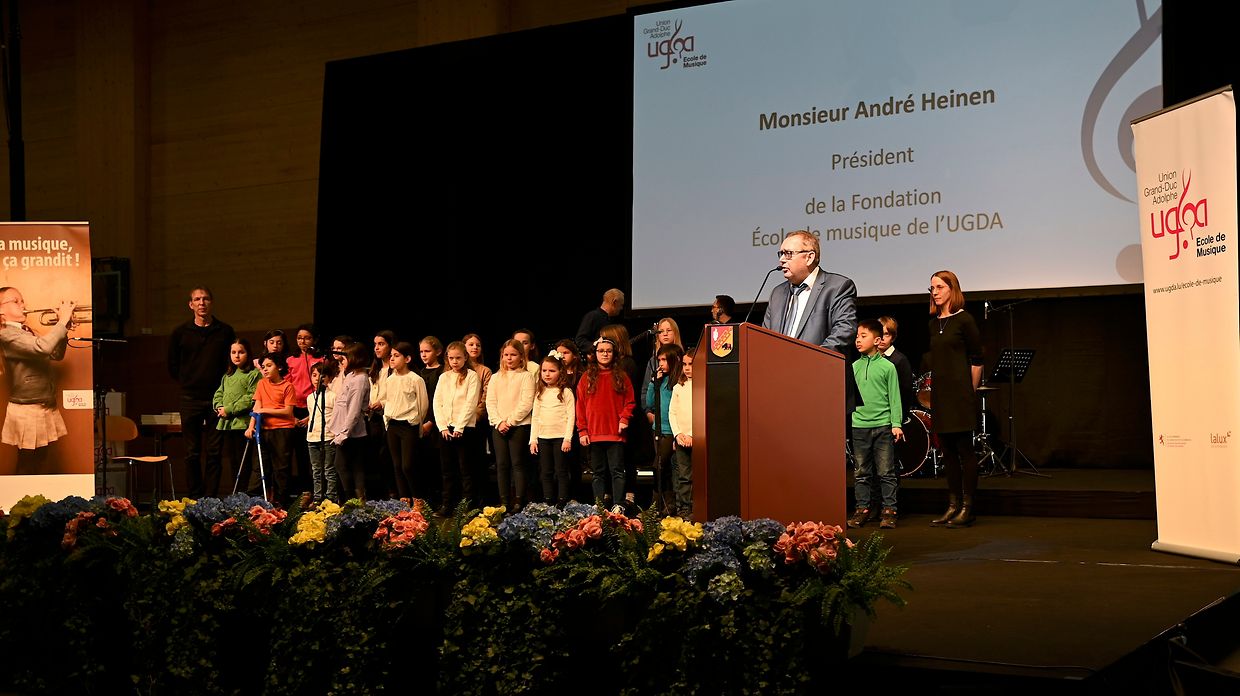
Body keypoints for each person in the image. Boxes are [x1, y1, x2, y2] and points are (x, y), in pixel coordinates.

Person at [167, 286, 235, 498]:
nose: (202, 303)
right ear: (191, 304)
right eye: (197, 299)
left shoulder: (225, 331)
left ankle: (211, 498)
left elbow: (231, 362)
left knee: (214, 452)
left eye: (205, 299)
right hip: (190, 398)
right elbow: (172, 364)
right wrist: (188, 382)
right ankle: (195, 498)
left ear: (211, 302)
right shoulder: (180, 333)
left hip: (217, 399)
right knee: (192, 453)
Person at [927, 270, 984, 528]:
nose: (935, 292)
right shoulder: (933, 322)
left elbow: (977, 359)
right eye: (932, 288)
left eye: (939, 287)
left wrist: (969, 391)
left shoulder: (965, 321)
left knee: (964, 450)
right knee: (947, 452)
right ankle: (952, 505)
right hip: (941, 396)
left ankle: (967, 508)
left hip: (960, 395)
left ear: (952, 289)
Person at [0, 289, 73, 473]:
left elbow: (56, 354)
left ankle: (34, 500)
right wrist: (62, 322)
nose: (23, 305)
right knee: (27, 463)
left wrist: (63, 328)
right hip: (27, 408)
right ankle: (20, 500)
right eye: (16, 301)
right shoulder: (6, 335)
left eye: (22, 300)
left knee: (40, 460)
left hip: (44, 403)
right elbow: (43, 348)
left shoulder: (26, 332)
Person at [847, 319, 904, 530]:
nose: (858, 340)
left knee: (886, 471)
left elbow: (894, 397)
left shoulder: (888, 367)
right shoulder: (853, 367)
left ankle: (889, 510)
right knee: (861, 472)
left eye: (863, 336)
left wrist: (896, 424)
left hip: (882, 426)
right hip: (859, 426)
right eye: (857, 336)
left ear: (877, 340)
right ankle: (862, 509)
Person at [761, 230, 857, 353]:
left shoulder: (837, 287)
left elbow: (844, 330)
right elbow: (764, 338)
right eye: (781, 253)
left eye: (788, 253)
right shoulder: (777, 293)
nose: (782, 259)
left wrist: (811, 360)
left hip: (821, 369)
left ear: (809, 257)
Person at [576, 337, 635, 513]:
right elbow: (580, 405)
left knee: (617, 470)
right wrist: (582, 430)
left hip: (615, 433)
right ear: (595, 354)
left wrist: (624, 419)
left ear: (614, 354)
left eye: (608, 351)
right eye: (601, 351)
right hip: (594, 434)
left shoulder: (621, 376)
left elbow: (630, 402)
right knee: (598, 472)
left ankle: (618, 503)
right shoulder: (586, 377)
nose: (605, 354)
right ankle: (599, 505)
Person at [487, 339, 536, 511]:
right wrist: (499, 422)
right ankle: (503, 501)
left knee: (517, 463)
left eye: (513, 355)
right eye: (506, 355)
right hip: (498, 426)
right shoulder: (495, 378)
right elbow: (490, 402)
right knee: (501, 464)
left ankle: (518, 500)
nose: (509, 358)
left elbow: (526, 403)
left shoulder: (526, 377)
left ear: (521, 357)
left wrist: (509, 421)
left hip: (519, 426)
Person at [434, 341, 482, 515]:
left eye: (458, 358)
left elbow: (470, 404)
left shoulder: (471, 376)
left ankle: (467, 505)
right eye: (451, 358)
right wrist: (442, 427)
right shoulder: (444, 377)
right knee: (447, 470)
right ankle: (448, 505)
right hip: (446, 429)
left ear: (465, 358)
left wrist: (460, 427)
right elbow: (437, 402)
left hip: (464, 429)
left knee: (465, 469)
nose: (454, 361)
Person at [245, 354, 297, 504]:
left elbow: (288, 412)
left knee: (281, 469)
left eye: (269, 366)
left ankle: (282, 504)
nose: (265, 369)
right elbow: (257, 407)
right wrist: (250, 427)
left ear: (279, 367)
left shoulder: (288, 386)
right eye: (263, 367)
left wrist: (266, 410)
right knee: (259, 467)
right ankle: (253, 503)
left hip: (282, 431)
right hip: (264, 430)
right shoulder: (262, 384)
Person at [382, 341, 429, 502]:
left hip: (408, 425)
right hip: (393, 424)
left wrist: (416, 423)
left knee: (407, 465)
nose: (392, 359)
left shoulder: (415, 379)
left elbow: (423, 405)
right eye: (391, 356)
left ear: (407, 359)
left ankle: (418, 499)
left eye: (397, 355)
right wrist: (387, 420)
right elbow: (388, 400)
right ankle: (403, 499)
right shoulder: (390, 379)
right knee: (396, 465)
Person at [213, 338, 259, 497]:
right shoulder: (228, 375)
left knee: (243, 462)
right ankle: (236, 496)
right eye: (234, 352)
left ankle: (244, 496)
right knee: (233, 462)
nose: (237, 356)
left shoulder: (253, 374)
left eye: (241, 352)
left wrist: (229, 409)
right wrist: (218, 406)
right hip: (228, 424)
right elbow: (219, 392)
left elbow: (251, 397)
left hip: (243, 424)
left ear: (248, 353)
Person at [530, 350, 575, 506]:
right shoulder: (540, 393)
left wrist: (567, 439)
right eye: (544, 371)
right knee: (546, 471)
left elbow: (571, 417)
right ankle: (548, 500)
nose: (547, 374)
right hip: (543, 437)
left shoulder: (566, 392)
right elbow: (535, 417)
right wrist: (533, 439)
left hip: (560, 438)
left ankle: (563, 500)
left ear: (560, 372)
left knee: (561, 470)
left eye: (551, 371)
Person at [644, 343, 684, 515]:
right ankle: (664, 506)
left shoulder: (679, 382)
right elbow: (650, 403)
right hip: (658, 430)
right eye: (659, 359)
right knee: (663, 468)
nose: (660, 363)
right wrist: (654, 383)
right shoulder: (662, 380)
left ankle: (660, 505)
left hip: (671, 431)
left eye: (664, 360)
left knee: (659, 467)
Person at [331, 342, 371, 501]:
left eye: (345, 357)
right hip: (343, 429)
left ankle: (354, 499)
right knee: (348, 465)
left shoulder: (360, 379)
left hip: (351, 432)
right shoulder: (350, 376)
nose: (342, 359)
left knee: (347, 465)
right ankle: (351, 499)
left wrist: (343, 433)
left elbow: (354, 410)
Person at [305, 360, 341, 504]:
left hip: (328, 437)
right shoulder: (310, 397)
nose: (317, 378)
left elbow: (337, 417)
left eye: (322, 375)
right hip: (312, 437)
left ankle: (331, 498)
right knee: (316, 470)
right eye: (314, 375)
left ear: (329, 378)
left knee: (329, 469)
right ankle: (318, 498)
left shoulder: (333, 396)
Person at [667, 347, 695, 519]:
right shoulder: (679, 386)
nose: (687, 368)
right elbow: (672, 412)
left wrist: (693, 434)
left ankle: (696, 507)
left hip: (698, 438)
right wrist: (678, 434)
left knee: (698, 475)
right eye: (684, 364)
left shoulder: (703, 385)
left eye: (691, 364)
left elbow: (703, 412)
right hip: (681, 439)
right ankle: (684, 508)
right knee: (683, 476)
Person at [877, 316, 917, 423]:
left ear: (893, 337)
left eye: (886, 334)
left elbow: (905, 393)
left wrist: (899, 419)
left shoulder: (900, 360)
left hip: (892, 419)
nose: (882, 338)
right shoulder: (870, 358)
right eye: (879, 333)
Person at [575, 288, 624, 355]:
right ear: (614, 302)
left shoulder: (611, 319)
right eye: (621, 305)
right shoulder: (592, 316)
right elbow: (580, 340)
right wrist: (597, 348)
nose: (621, 308)